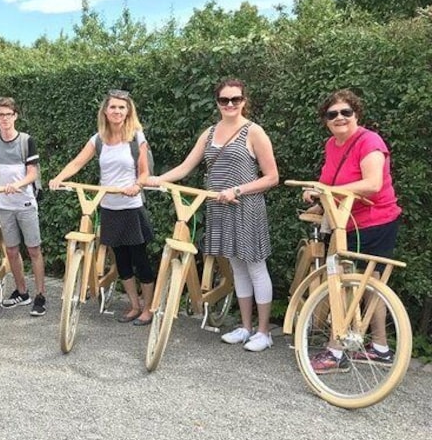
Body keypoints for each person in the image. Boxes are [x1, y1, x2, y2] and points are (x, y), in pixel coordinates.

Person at [143, 78, 279, 351]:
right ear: (217, 102)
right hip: (218, 207)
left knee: (255, 267)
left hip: (246, 208)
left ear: (244, 101)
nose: (230, 104)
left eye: (236, 99)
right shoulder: (208, 133)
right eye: (224, 100)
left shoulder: (254, 132)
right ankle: (245, 327)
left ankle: (264, 332)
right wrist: (157, 179)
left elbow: (272, 177)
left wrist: (237, 190)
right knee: (237, 268)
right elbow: (185, 167)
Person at [303, 89, 402, 372]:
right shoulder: (332, 145)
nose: (340, 118)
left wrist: (326, 191)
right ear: (326, 120)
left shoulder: (370, 141)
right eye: (332, 114)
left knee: (346, 285)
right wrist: (319, 198)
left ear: (356, 114)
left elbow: (372, 183)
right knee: (370, 286)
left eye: (346, 112)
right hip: (345, 221)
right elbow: (331, 181)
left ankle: (336, 352)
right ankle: (380, 348)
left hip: (374, 221)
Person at [49, 89, 155, 325]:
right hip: (109, 207)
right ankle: (134, 305)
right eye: (113, 107)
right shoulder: (97, 139)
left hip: (131, 207)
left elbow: (145, 171)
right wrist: (59, 178)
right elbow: (77, 162)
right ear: (105, 111)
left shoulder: (137, 137)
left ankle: (148, 308)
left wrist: (137, 185)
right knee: (122, 261)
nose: (117, 111)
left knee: (140, 260)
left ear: (128, 111)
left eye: (121, 107)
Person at [0, 97, 47, 316]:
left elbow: (33, 172)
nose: (5, 119)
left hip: (24, 202)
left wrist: (17, 185)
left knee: (34, 249)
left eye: (8, 114)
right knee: (11, 250)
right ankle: (22, 292)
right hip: (4, 204)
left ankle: (40, 295)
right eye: (0, 115)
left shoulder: (26, 140)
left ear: (15, 116)